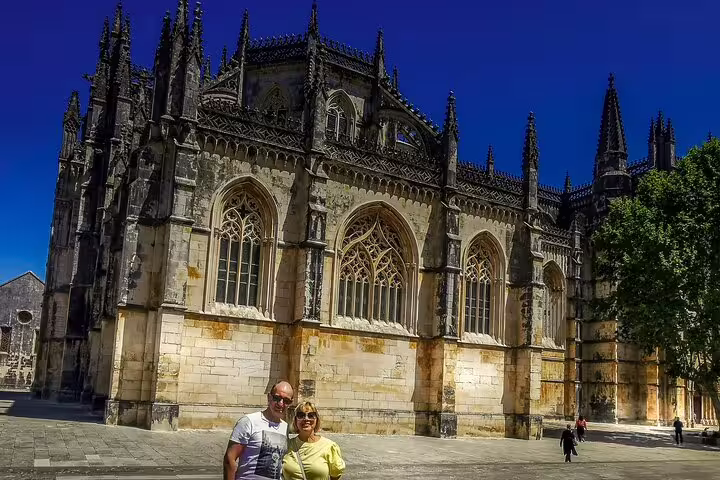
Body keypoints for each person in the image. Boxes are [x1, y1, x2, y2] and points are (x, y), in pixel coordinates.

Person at [224, 381, 294, 480]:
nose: (281, 404)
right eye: (277, 398)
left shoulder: (285, 427)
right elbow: (229, 459)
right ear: (269, 397)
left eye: (286, 401)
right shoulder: (249, 421)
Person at [282, 401, 346, 480]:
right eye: (301, 415)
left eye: (311, 415)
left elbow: (335, 476)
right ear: (295, 420)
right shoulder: (286, 445)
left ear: (316, 420)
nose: (306, 419)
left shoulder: (329, 446)